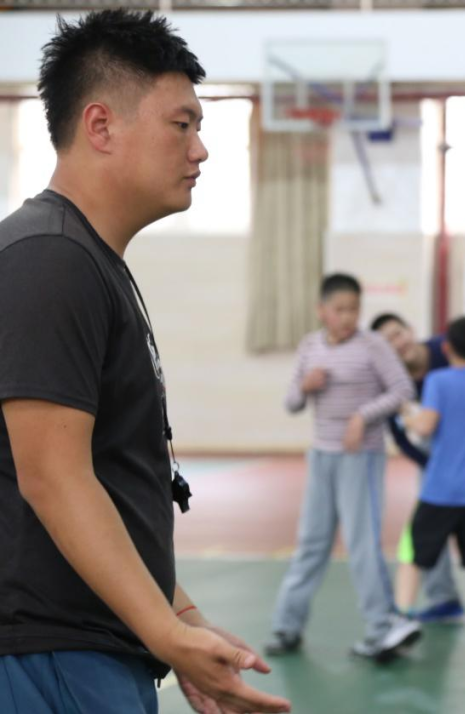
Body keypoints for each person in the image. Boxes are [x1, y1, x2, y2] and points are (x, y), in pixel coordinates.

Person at [0, 10, 290, 713]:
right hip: (50, 655)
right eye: (181, 125)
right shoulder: (50, 260)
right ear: (101, 126)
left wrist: (182, 624)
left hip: (94, 645)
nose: (201, 151)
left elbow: (109, 478)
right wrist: (163, 630)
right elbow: (53, 479)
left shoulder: (90, 263)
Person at [263, 274, 415, 662]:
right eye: (340, 310)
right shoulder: (310, 346)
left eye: (354, 309)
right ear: (322, 310)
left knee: (362, 544)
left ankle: (384, 628)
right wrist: (306, 387)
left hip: (360, 459)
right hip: (321, 457)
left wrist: (362, 417)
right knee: (311, 542)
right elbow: (292, 403)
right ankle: (287, 626)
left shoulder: (374, 346)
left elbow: (402, 390)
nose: (348, 317)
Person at [371, 312, 465, 626]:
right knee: (442, 542)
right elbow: (403, 436)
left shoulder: (444, 361)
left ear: (411, 331)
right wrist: (430, 463)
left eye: (398, 333)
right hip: (439, 462)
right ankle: (446, 600)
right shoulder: (393, 379)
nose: (397, 343)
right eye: (387, 341)